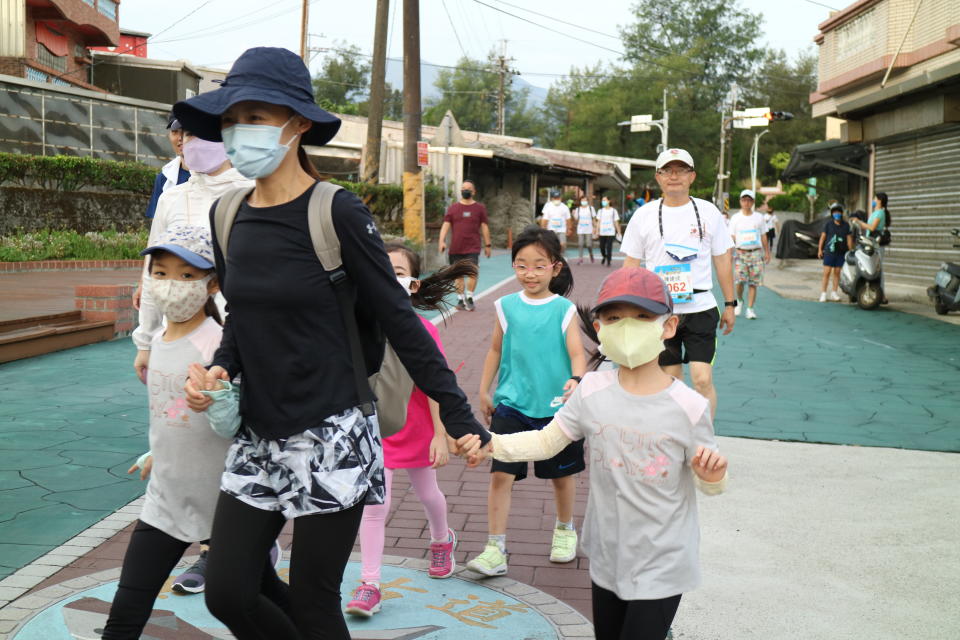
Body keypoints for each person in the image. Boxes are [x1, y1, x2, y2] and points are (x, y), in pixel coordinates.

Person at [177, 46, 491, 640]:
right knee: (228, 590)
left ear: (296, 126)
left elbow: (399, 320)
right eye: (230, 118)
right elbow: (242, 315)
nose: (238, 130)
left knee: (316, 603)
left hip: (332, 433)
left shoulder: (336, 212)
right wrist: (221, 368)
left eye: (255, 115)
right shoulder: (227, 215)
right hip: (257, 433)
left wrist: (456, 413)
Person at [458, 266, 729, 640]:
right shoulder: (592, 391)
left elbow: (711, 477)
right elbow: (547, 440)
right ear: (599, 329)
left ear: (668, 326)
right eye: (614, 318)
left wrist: (713, 477)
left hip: (664, 557)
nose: (628, 327)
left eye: (643, 317)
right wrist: (491, 444)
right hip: (607, 551)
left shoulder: (689, 407)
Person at [101, 225, 251, 638]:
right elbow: (169, 411)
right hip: (165, 500)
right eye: (161, 273)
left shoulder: (219, 345)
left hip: (225, 508)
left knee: (248, 605)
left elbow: (238, 425)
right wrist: (156, 452)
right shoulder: (157, 341)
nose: (171, 286)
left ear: (212, 283)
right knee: (126, 610)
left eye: (186, 276)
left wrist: (218, 399)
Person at [345, 243, 476, 617]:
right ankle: (370, 583)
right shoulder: (358, 324)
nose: (390, 278)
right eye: (383, 270)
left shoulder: (421, 329)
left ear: (413, 284)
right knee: (375, 505)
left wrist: (439, 433)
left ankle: (441, 539)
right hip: (376, 431)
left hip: (417, 427)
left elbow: (437, 383)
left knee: (428, 493)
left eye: (400, 272)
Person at [467, 226, 587, 577]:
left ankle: (565, 529)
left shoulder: (564, 310)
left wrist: (576, 380)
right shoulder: (505, 306)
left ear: (555, 267)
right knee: (500, 474)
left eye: (538, 265)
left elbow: (578, 354)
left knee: (562, 477)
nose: (529, 273)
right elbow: (494, 349)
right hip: (511, 405)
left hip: (557, 410)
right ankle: (495, 548)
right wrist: (484, 390)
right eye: (521, 265)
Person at [621, 148, 736, 418]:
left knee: (702, 378)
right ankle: (679, 436)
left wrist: (730, 303)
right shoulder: (643, 215)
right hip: (660, 310)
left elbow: (722, 260)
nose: (674, 176)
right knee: (671, 381)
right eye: (668, 171)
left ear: (692, 176)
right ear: (658, 177)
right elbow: (631, 265)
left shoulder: (708, 213)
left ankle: (705, 441)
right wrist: (626, 309)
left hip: (701, 307)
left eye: (681, 170)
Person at [133, 131, 253, 387]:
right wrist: (145, 342)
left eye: (203, 132)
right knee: (177, 415)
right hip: (177, 337)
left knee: (228, 414)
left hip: (237, 340)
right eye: (187, 133)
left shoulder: (253, 195)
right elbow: (152, 271)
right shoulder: (171, 198)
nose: (192, 141)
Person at [438, 180, 491, 311]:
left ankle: (470, 297)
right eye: (463, 188)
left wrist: (488, 245)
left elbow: (484, 226)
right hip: (456, 247)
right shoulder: (453, 208)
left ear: (474, 192)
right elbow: (446, 225)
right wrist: (441, 241)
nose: (465, 190)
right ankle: (460, 299)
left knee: (473, 271)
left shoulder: (480, 208)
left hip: (473, 246)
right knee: (458, 275)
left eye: (468, 188)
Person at [728, 189, 771, 320]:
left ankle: (750, 309)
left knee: (753, 283)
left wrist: (767, 251)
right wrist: (729, 253)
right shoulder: (735, 218)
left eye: (749, 200)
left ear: (752, 202)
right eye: (744, 200)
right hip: (740, 253)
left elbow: (764, 235)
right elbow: (731, 237)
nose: (746, 202)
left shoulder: (759, 217)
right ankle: (739, 301)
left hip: (756, 253)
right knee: (739, 281)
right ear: (740, 201)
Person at [144, 113, 190, 220]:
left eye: (185, 132)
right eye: (175, 132)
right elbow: (156, 224)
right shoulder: (164, 178)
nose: (180, 138)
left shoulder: (212, 173)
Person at [852, 191, 891, 304]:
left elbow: (872, 228)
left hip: (877, 245)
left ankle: (881, 294)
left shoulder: (880, 213)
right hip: (870, 243)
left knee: (878, 269)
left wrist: (859, 222)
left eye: (875, 198)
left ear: (879, 200)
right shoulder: (876, 212)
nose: (873, 200)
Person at [818, 204, 854, 302]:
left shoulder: (846, 225)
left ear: (841, 214)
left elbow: (849, 239)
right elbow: (823, 237)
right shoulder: (828, 224)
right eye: (834, 212)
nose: (836, 214)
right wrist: (820, 249)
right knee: (827, 272)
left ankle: (834, 293)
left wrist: (851, 251)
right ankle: (823, 293)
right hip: (830, 252)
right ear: (832, 214)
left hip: (841, 252)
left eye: (838, 212)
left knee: (837, 273)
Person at [596, 196, 621, 267]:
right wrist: (597, 230)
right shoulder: (600, 211)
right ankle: (604, 256)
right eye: (602, 200)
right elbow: (598, 222)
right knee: (602, 247)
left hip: (611, 232)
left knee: (609, 247)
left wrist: (618, 231)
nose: (603, 201)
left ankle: (609, 261)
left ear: (609, 201)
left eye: (605, 200)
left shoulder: (613, 211)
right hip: (602, 232)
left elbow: (616, 222)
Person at [573, 197, 596, 264]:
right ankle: (580, 258)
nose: (584, 201)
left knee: (589, 244)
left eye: (585, 200)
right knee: (580, 244)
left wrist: (595, 228)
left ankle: (591, 254)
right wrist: (574, 214)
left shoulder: (591, 209)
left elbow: (594, 219)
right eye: (582, 200)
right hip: (580, 229)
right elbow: (576, 219)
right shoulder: (578, 209)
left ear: (587, 201)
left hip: (589, 229)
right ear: (580, 201)